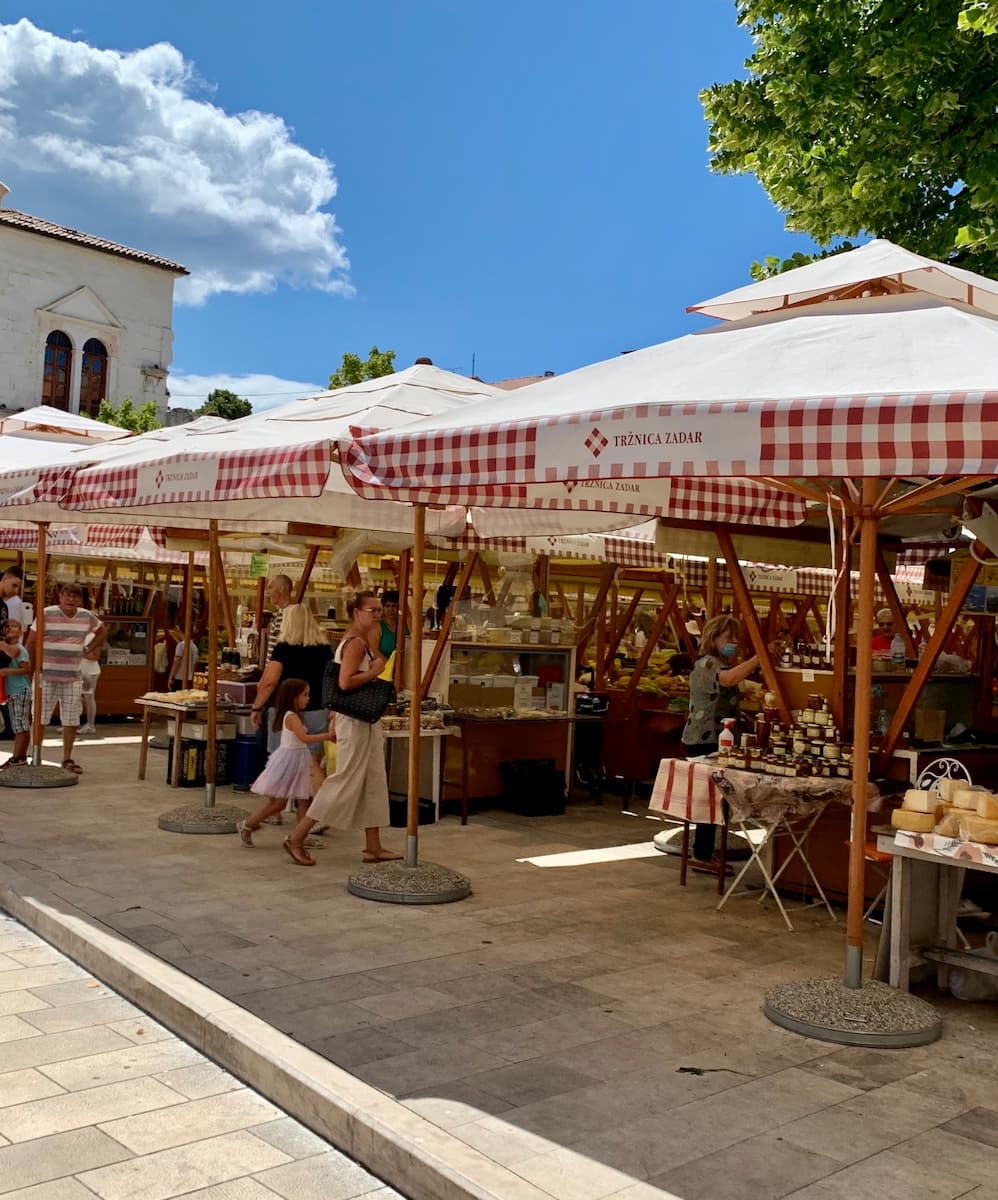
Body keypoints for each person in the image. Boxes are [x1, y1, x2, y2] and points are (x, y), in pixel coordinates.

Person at [282, 591, 402, 867]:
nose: (377, 614)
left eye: (377, 610)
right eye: (371, 610)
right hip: (355, 720)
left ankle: (374, 846)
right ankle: (297, 836)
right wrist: (375, 671)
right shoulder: (356, 644)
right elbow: (346, 683)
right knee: (343, 780)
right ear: (356, 612)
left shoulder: (363, 640)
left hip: (362, 720)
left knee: (373, 780)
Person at [681, 615, 780, 873]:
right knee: (710, 798)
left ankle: (704, 852)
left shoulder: (721, 663)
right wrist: (760, 657)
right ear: (713, 638)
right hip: (704, 740)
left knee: (714, 797)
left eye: (736, 638)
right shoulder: (707, 664)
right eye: (729, 637)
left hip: (718, 738)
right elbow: (727, 680)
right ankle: (701, 855)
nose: (733, 642)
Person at [251, 604, 333, 805]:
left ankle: (275, 810)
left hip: (284, 713)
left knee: (278, 761)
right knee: (313, 764)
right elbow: (331, 679)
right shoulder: (324, 649)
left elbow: (270, 681)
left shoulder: (283, 648)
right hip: (317, 709)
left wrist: (256, 706)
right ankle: (317, 814)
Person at [237, 679, 335, 846]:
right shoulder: (291, 717)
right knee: (278, 804)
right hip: (289, 761)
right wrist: (326, 736)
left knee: (304, 799)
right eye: (305, 695)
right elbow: (304, 738)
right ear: (293, 697)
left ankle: (301, 835)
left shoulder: (297, 715)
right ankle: (248, 824)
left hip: (299, 759)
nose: (308, 698)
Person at [26, 582, 106, 775]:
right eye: (67, 595)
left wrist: (88, 647)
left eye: (75, 596)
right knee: (39, 717)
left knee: (71, 719)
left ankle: (67, 758)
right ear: (60, 596)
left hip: (73, 677)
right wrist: (30, 671)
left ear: (80, 599)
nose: (71, 599)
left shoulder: (87, 616)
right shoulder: (47, 613)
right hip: (46, 675)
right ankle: (35, 755)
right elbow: (31, 641)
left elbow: (103, 631)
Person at [0, 618, 31, 767]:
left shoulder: (19, 649)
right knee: (20, 725)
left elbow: (26, 669)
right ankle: (21, 756)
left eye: (15, 626)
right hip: (13, 691)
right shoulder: (7, 648)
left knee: (20, 726)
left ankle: (17, 757)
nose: (11, 628)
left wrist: (8, 671)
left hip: (20, 690)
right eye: (8, 626)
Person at [0, 565, 25, 739]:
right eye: (14, 585)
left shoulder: (5, 605)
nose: (16, 591)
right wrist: (5, 647)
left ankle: (10, 728)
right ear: (4, 579)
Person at [78, 631, 101, 735]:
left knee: (89, 697)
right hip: (78, 671)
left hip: (90, 672)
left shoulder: (93, 637)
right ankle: (71, 723)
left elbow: (95, 656)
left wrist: (79, 653)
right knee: (74, 697)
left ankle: (90, 725)